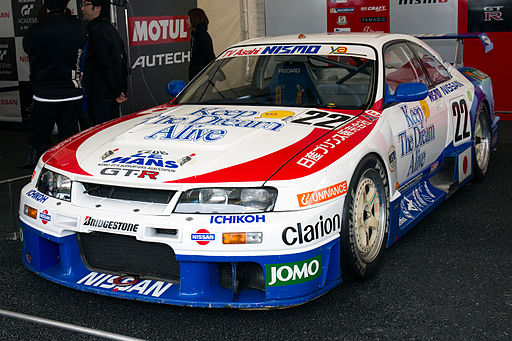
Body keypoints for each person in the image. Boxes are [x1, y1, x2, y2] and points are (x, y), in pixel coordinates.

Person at [19, 0, 86, 169]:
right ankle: (64, 167)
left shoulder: (35, 30)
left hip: (46, 96)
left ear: (45, 6)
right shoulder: (78, 28)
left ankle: (52, 166)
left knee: (38, 136)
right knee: (68, 137)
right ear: (66, 6)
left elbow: (29, 49)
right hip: (72, 93)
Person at [81, 0, 128, 126]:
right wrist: (120, 89)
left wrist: (118, 91)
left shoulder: (95, 31)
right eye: (82, 5)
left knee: (99, 133)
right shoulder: (110, 28)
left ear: (97, 8)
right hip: (110, 94)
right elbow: (122, 60)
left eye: (86, 5)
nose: (82, 9)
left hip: (100, 96)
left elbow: (107, 64)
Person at [187, 8, 215, 80]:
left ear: (194, 19)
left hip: (203, 78)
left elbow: (210, 58)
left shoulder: (203, 36)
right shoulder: (194, 36)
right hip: (196, 78)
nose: (186, 21)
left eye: (188, 18)